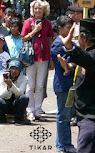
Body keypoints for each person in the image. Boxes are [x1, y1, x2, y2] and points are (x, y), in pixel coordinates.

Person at [57, 19, 95, 153]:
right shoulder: (89, 53)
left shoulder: (91, 55)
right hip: (85, 116)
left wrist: (70, 47)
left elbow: (88, 60)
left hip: (91, 119)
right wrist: (69, 66)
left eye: (78, 36)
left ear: (84, 37)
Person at [21, 0, 54, 121]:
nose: (37, 10)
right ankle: (30, 110)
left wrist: (51, 58)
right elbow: (23, 38)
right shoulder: (28, 22)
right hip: (31, 56)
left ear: (44, 10)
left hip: (44, 56)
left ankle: (38, 110)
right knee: (30, 84)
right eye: (35, 8)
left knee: (40, 85)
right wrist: (35, 31)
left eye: (40, 8)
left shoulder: (48, 24)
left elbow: (50, 40)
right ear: (32, 10)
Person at [50, 16, 76, 153]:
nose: (70, 30)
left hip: (71, 85)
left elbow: (77, 57)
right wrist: (69, 65)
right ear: (59, 28)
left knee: (68, 115)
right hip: (63, 85)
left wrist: (71, 64)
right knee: (63, 116)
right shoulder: (57, 45)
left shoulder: (71, 44)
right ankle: (64, 145)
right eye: (68, 27)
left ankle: (63, 144)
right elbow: (64, 62)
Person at [0, 59, 30, 124]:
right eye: (12, 68)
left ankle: (20, 118)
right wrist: (8, 88)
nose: (14, 71)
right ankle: (1, 118)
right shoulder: (2, 77)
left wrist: (11, 85)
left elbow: (20, 94)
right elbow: (1, 96)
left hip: (17, 104)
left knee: (24, 98)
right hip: (6, 103)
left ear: (20, 70)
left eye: (16, 69)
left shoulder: (24, 78)